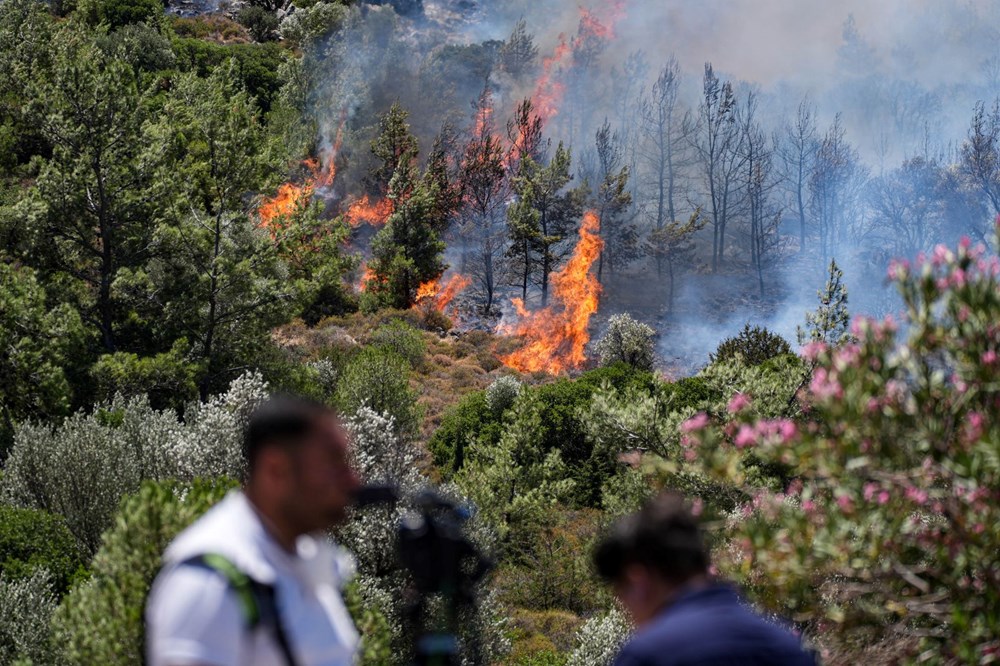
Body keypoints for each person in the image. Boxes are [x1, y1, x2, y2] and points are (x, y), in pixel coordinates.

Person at [146, 396, 363, 666]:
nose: (353, 480)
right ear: (276, 468)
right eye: (334, 463)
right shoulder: (209, 581)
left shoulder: (306, 562)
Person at [594, 493, 816, 666]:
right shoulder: (786, 645)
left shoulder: (648, 655)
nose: (624, 606)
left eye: (619, 590)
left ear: (638, 579)